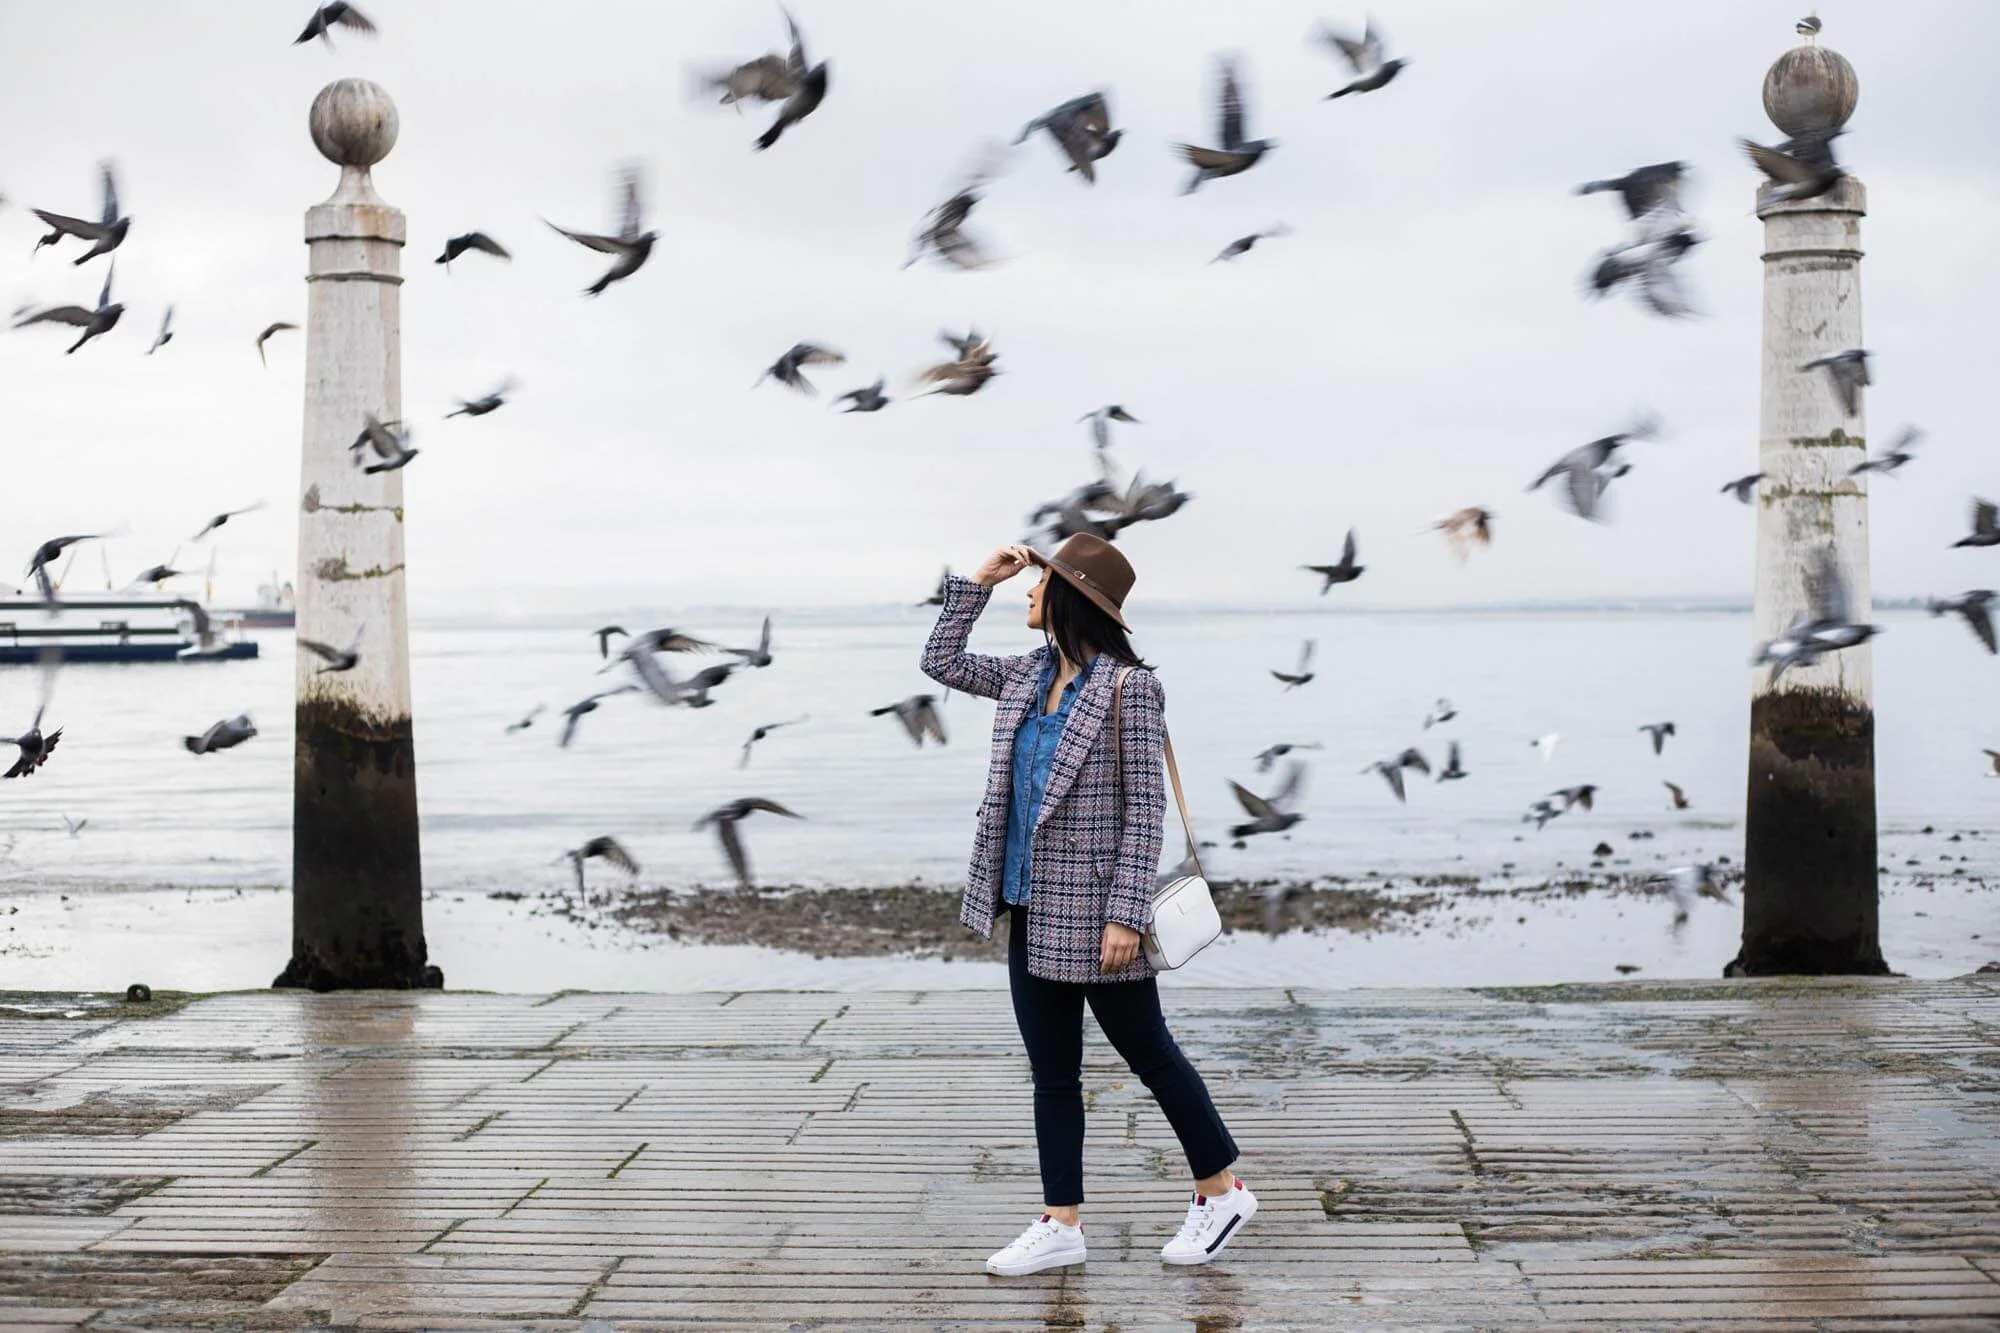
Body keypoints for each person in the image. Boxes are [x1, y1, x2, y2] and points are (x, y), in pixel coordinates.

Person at [920, 533, 1254, 1277]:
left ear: (1069, 595)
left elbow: (1145, 810)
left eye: (1038, 583)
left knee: (1152, 1056)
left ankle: (1222, 1191)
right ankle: (1060, 1220)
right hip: (1027, 902)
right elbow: (939, 661)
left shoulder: (1130, 688)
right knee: (1052, 1071)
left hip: (1100, 912)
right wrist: (976, 580)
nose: (1027, 592)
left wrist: (1126, 914)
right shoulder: (1024, 676)